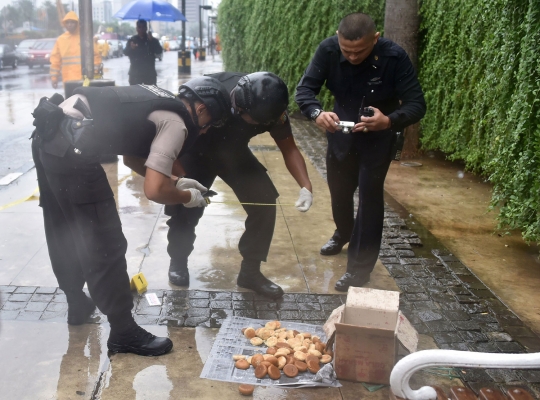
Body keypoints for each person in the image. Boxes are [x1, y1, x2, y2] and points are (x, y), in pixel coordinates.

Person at [31, 77, 231, 356]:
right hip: (73, 150)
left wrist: (176, 181)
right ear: (201, 108)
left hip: (48, 136)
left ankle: (76, 302)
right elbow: (154, 190)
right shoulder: (177, 122)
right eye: (211, 121)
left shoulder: (156, 96)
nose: (207, 130)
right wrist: (187, 198)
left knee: (63, 227)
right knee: (105, 241)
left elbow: (132, 159)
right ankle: (123, 332)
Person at [295, 12, 426, 291]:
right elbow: (305, 90)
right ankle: (343, 232)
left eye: (360, 51)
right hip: (340, 134)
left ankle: (358, 269)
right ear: (338, 40)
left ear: (375, 39)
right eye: (347, 51)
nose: (353, 56)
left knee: (369, 201)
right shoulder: (328, 49)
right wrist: (317, 113)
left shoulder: (394, 57)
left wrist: (389, 120)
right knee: (340, 194)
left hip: (378, 138)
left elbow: (417, 104)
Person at [164, 72, 313, 299]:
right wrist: (180, 178)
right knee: (186, 207)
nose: (252, 123)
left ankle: (250, 272)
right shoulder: (208, 93)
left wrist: (306, 186)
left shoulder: (272, 109)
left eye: (258, 122)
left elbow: (289, 147)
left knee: (264, 200)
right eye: (248, 117)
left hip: (233, 154)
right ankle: (178, 260)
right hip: (195, 150)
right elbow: (170, 138)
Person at [50, 11, 101, 89]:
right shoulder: (61, 40)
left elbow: (95, 55)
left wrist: (95, 72)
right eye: (67, 22)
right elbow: (55, 60)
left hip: (85, 80)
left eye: (72, 22)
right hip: (68, 80)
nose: (69, 25)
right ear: (64, 24)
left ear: (77, 23)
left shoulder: (85, 38)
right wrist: (54, 78)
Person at [124, 19, 163, 85]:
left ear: (146, 28)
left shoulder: (152, 39)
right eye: (139, 27)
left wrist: (152, 41)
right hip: (135, 73)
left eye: (143, 27)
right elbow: (125, 52)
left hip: (149, 73)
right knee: (134, 94)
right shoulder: (132, 40)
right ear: (136, 28)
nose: (141, 29)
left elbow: (159, 51)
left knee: (151, 94)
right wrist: (131, 48)